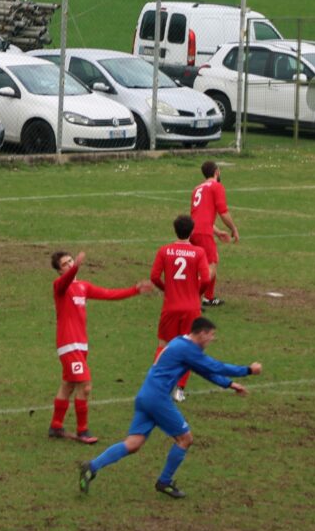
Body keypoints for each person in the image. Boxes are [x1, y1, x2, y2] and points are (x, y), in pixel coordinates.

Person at [79, 316, 261, 499]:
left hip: (145, 396)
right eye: (211, 335)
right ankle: (164, 482)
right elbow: (216, 366)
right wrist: (248, 370)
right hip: (158, 399)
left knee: (133, 444)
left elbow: (204, 370)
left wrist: (229, 384)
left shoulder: (180, 342)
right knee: (185, 439)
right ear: (202, 333)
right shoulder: (187, 349)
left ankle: (92, 466)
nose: (212, 339)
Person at [49, 251, 154, 444]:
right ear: (58, 271)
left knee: (69, 384)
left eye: (71, 261)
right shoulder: (59, 287)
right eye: (65, 264)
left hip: (80, 345)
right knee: (85, 386)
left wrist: (134, 290)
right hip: (69, 345)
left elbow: (108, 294)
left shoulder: (83, 286)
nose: (70, 265)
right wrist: (77, 267)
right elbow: (66, 280)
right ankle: (82, 430)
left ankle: (56, 425)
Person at [151, 214, 212, 403]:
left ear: (174, 230)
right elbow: (207, 279)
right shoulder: (199, 252)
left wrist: (166, 289)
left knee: (163, 345)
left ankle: (156, 385)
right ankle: (179, 389)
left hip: (170, 307)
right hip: (192, 308)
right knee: (189, 348)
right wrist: (197, 293)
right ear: (192, 231)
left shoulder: (164, 251)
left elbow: (154, 277)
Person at [190, 161, 239, 307]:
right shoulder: (217, 187)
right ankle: (191, 300)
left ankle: (208, 297)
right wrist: (233, 228)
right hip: (203, 232)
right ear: (216, 172)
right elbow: (223, 212)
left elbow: (199, 217)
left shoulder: (197, 188)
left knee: (212, 260)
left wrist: (217, 232)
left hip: (193, 231)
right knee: (210, 267)